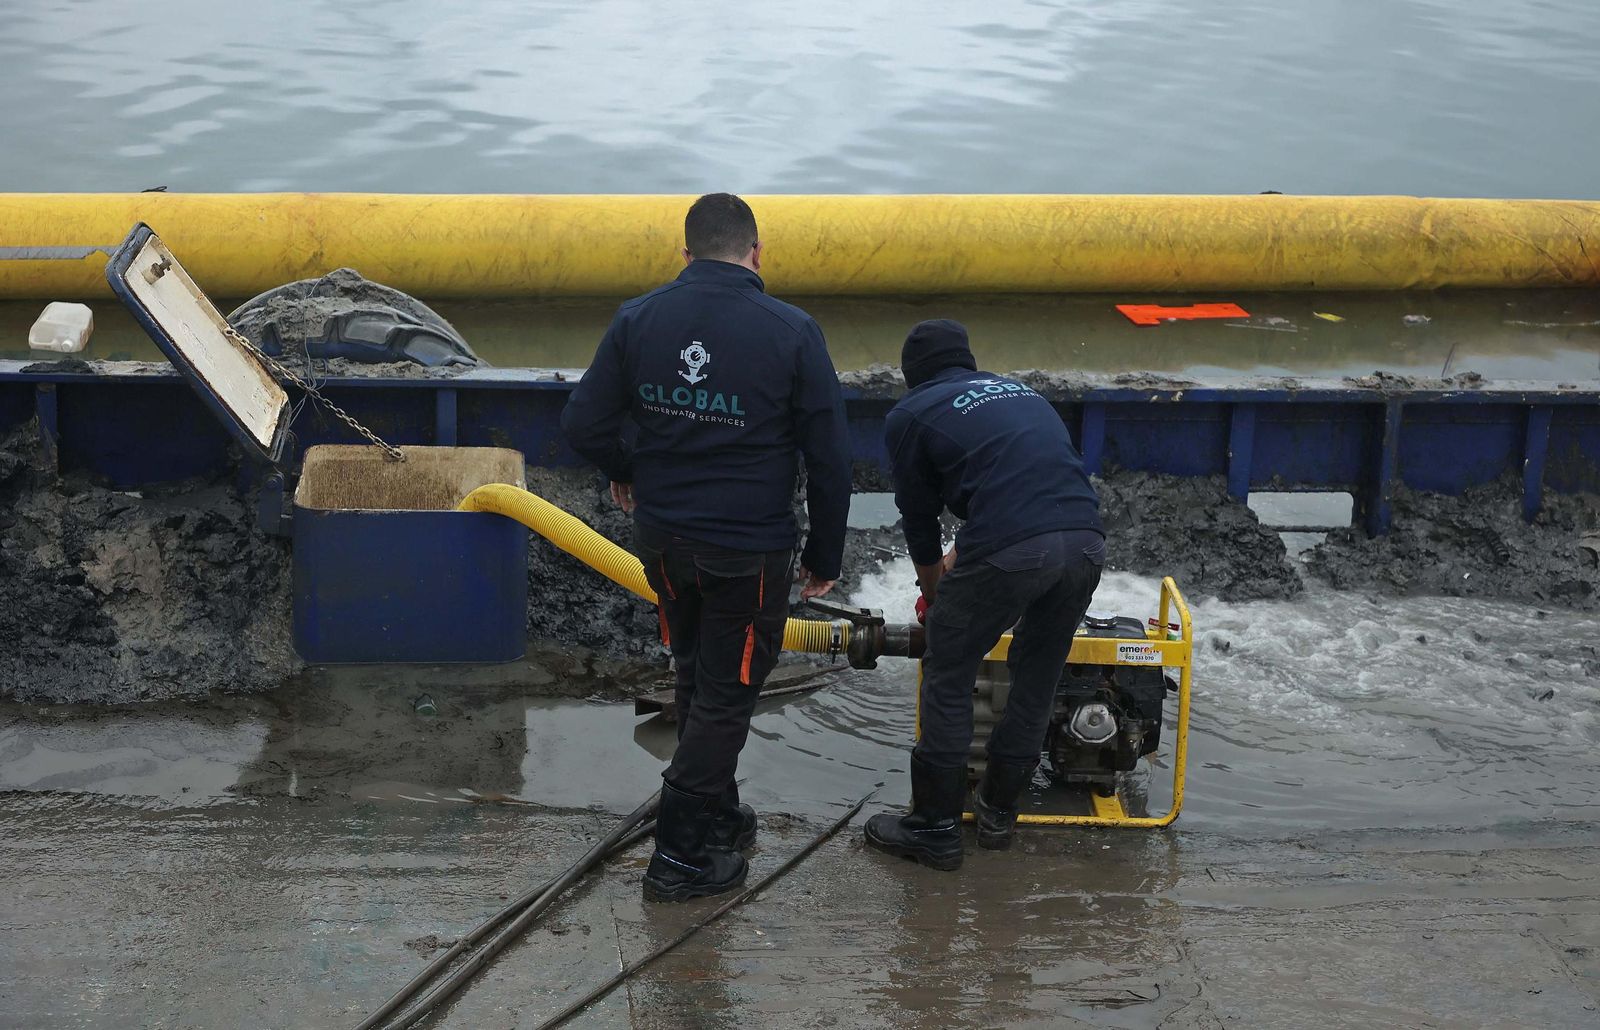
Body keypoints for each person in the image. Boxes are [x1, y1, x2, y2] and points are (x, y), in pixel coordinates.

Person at [561, 193, 851, 901]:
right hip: (745, 551)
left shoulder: (638, 318)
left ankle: (716, 813)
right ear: (757, 254)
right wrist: (825, 554)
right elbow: (831, 455)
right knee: (727, 696)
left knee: (696, 671)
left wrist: (627, 467)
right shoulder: (791, 329)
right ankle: (683, 855)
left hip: (663, 541)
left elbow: (583, 423)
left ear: (685, 255)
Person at [864, 319, 1104, 871]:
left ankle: (935, 829)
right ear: (968, 362)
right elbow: (1025, 490)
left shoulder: (912, 412)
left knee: (949, 666)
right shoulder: (1025, 394)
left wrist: (933, 590)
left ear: (911, 374)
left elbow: (920, 518)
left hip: (1016, 546)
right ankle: (997, 815)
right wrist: (966, 557)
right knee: (1037, 673)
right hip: (1085, 541)